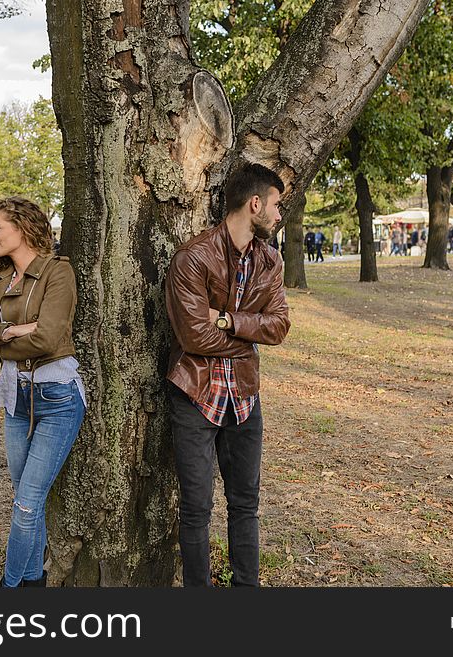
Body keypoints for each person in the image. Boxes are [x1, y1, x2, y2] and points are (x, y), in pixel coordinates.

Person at [164, 163, 291, 587]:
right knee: (196, 509)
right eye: (275, 205)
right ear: (254, 203)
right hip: (196, 395)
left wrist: (229, 321)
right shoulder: (192, 257)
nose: (278, 215)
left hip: (243, 398)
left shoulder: (270, 262)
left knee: (245, 504)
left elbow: (279, 325)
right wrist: (248, 339)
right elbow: (194, 335)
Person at [0, 197, 85, 588]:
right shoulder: (0, 282)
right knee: (26, 502)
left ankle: (11, 586)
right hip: (16, 398)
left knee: (27, 503)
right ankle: (33, 581)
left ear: (23, 227)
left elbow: (49, 339)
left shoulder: (57, 273)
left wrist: (1, 334)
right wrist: (15, 331)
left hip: (58, 398)